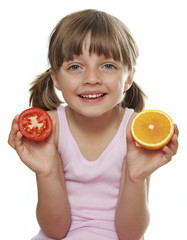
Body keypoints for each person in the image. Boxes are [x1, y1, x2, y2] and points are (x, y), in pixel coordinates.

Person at [8, 9, 179, 240]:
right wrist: (46, 171)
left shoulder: (136, 131)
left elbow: (130, 235)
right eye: (75, 67)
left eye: (108, 66)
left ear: (128, 78)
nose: (91, 78)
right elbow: (55, 231)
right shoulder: (50, 128)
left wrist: (135, 177)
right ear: (56, 78)